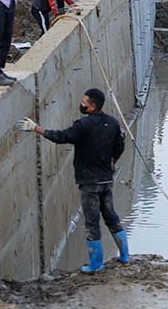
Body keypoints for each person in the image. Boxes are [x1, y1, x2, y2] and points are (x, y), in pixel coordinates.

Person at [18, 89, 129, 274]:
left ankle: (95, 265)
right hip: (106, 180)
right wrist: (111, 163)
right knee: (111, 217)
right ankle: (125, 257)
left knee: (92, 223)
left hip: (89, 183)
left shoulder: (83, 125)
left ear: (92, 106)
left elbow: (62, 137)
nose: (82, 103)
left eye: (85, 101)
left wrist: (36, 128)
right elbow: (119, 147)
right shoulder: (112, 123)